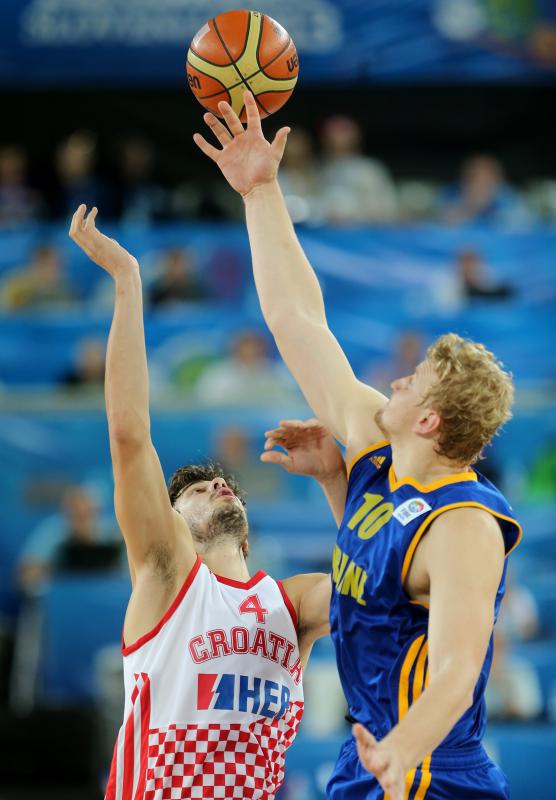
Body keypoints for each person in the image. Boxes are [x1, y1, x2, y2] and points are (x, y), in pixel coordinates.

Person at [194, 92, 522, 800]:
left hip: (426, 773)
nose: (395, 381)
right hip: (369, 755)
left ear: (430, 422)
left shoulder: (464, 526)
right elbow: (296, 321)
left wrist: (402, 751)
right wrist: (261, 191)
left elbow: (460, 667)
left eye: (412, 383)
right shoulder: (380, 456)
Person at [68, 205, 345, 800]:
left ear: (245, 535)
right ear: (170, 524)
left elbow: (377, 581)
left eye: (222, 486)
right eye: (194, 492)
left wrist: (333, 481)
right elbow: (128, 435)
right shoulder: (169, 571)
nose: (217, 487)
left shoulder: (289, 603)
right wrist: (127, 282)